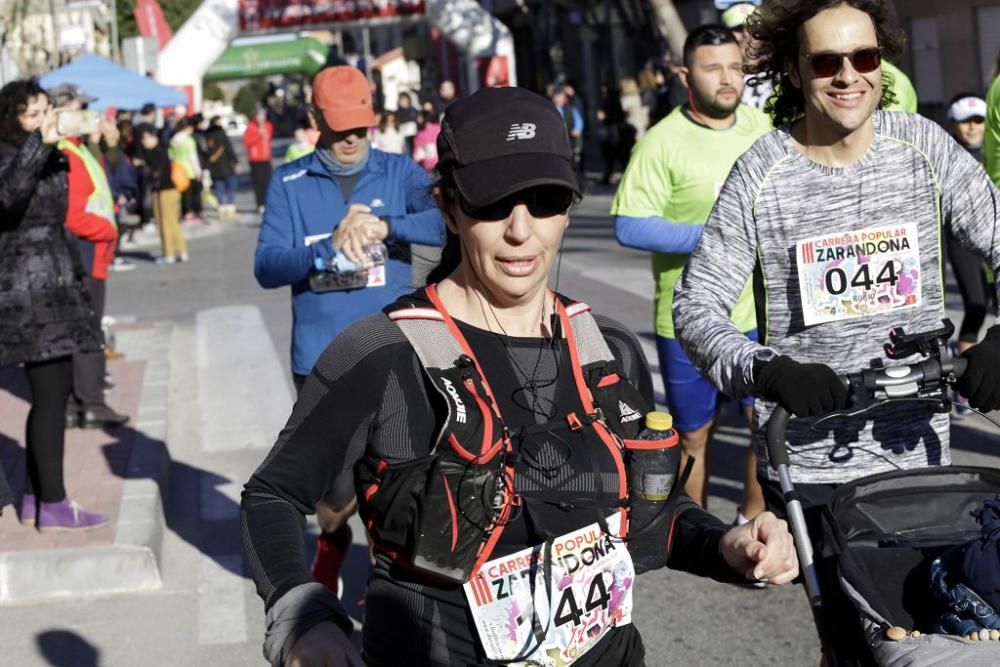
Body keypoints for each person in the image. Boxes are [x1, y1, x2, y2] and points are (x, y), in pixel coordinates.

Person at [241, 84, 798, 667]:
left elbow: (655, 511)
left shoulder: (605, 347)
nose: (520, 229)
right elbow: (272, 495)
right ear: (449, 208)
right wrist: (302, 616)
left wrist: (727, 545)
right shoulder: (382, 353)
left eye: (544, 200)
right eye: (492, 203)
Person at [672, 1, 1000, 658]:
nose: (848, 76)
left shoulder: (923, 147)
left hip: (919, 462)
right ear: (795, 70)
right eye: (826, 61)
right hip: (814, 462)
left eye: (865, 57)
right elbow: (696, 307)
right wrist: (766, 368)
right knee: (852, 647)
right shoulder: (764, 172)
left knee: (938, 640)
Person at [253, 65, 446, 597]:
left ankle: (394, 590)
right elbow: (267, 266)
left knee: (400, 483)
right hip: (323, 361)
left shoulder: (398, 171)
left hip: (396, 352)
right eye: (338, 128)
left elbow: (442, 222)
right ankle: (331, 552)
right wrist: (327, 248)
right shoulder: (290, 183)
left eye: (359, 127)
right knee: (336, 497)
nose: (351, 139)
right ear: (315, 119)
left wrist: (387, 226)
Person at [612, 25, 771, 523]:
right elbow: (630, 225)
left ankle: (754, 518)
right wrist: (713, 234)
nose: (728, 79)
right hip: (685, 320)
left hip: (759, 312)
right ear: (685, 75)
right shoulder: (661, 143)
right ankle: (693, 527)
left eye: (735, 67)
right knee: (694, 433)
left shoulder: (764, 130)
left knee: (763, 425)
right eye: (712, 68)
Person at [0, 79, 107, 530]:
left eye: (47, 110)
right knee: (50, 400)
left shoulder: (48, 153)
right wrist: (38, 146)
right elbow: (9, 197)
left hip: (55, 286)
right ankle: (55, 503)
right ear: (11, 120)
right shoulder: (11, 155)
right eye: (32, 114)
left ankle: (34, 499)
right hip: (30, 294)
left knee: (51, 396)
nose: (43, 120)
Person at [46, 83, 130, 430]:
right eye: (82, 107)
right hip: (85, 254)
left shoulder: (77, 149)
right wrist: (109, 231)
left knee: (80, 329)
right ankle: (90, 403)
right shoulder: (65, 152)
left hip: (90, 253)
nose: (88, 115)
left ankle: (76, 403)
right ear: (63, 111)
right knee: (87, 331)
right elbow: (74, 214)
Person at [942, 93, 997, 406]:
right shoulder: (948, 155)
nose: (974, 128)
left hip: (992, 238)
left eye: (979, 120)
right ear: (953, 125)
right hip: (960, 241)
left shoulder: (993, 150)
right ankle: (967, 381)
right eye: (966, 121)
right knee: (975, 306)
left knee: (993, 305)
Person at [137, 125, 187, 264]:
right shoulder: (162, 150)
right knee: (172, 222)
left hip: (163, 191)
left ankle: (168, 253)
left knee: (164, 223)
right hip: (171, 190)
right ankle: (181, 251)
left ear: (154, 137)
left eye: (146, 138)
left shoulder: (155, 152)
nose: (143, 141)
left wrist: (143, 166)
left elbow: (155, 173)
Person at [721, 1, 773, 110]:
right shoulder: (719, 74)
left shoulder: (779, 69)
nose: (746, 34)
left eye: (751, 27)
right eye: (738, 28)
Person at [169, 117, 204, 225]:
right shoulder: (189, 140)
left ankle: (184, 214)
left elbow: (170, 155)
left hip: (177, 170)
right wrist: (198, 171)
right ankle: (192, 214)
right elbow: (193, 157)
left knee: (183, 194)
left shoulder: (173, 140)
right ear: (187, 127)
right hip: (189, 171)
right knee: (193, 194)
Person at [205, 116, 239, 221]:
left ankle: (221, 208)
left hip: (214, 166)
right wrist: (235, 161)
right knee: (231, 185)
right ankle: (230, 207)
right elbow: (228, 148)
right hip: (226, 165)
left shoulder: (207, 135)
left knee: (219, 187)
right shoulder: (222, 134)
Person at [244, 107, 274, 214]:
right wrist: (258, 135)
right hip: (255, 159)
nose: (261, 117)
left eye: (263, 115)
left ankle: (268, 202)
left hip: (266, 158)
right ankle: (260, 204)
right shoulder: (251, 126)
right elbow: (247, 141)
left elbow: (269, 139)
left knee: (268, 181)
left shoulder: (269, 125)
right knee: (258, 183)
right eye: (259, 115)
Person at [411, 105, 440, 172]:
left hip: (429, 167)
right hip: (443, 163)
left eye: (419, 117)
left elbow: (417, 155)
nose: (417, 119)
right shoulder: (439, 128)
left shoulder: (420, 134)